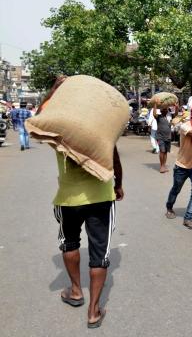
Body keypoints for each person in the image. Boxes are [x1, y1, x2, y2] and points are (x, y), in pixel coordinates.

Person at [40, 77, 123, 329]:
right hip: (100, 198)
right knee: (100, 253)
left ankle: (76, 291)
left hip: (67, 198)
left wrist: (55, 89)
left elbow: (37, 117)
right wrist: (119, 184)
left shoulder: (60, 129)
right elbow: (114, 157)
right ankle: (93, 311)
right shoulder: (100, 129)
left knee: (69, 242)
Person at [153, 103, 175, 173]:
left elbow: (176, 114)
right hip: (160, 137)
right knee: (162, 151)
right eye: (164, 110)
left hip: (168, 137)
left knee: (165, 152)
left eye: (166, 110)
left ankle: (164, 165)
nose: (165, 111)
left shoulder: (169, 117)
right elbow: (154, 114)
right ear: (161, 111)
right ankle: (162, 166)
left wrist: (176, 106)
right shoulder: (159, 117)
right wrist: (155, 105)